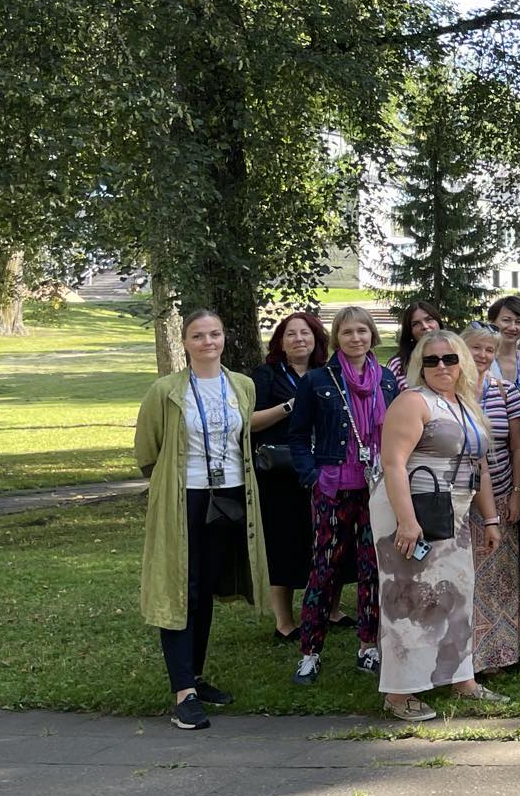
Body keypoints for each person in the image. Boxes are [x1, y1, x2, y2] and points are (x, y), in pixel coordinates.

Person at [134, 309, 270, 730]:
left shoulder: (242, 386)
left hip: (230, 496)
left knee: (205, 587)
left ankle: (194, 676)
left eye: (215, 334)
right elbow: (147, 451)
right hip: (184, 498)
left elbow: (242, 438)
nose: (208, 342)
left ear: (224, 337)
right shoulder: (166, 390)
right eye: (198, 336)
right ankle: (183, 694)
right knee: (180, 589)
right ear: (186, 342)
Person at [371, 329, 507, 721]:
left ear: (462, 361)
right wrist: (407, 522)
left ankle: (461, 678)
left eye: (449, 358)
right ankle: (399, 693)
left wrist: (491, 517)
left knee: (459, 592)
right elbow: (393, 464)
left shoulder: (465, 403)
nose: (442, 366)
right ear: (419, 367)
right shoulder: (413, 402)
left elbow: (478, 465)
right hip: (414, 508)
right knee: (410, 599)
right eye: (431, 361)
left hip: (455, 511)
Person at [288, 304, 398, 685]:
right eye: (348, 332)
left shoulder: (386, 380)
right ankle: (310, 652)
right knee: (326, 569)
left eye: (363, 331)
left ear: (373, 336)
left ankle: (369, 645)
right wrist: (312, 476)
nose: (356, 338)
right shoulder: (319, 381)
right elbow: (298, 436)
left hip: (378, 487)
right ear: (337, 337)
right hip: (333, 487)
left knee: (373, 568)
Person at [250, 310, 323, 643]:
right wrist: (292, 405)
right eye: (291, 334)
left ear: (316, 339)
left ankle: (329, 611)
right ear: (280, 341)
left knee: (321, 537)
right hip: (278, 472)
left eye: (305, 333)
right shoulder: (266, 376)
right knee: (282, 542)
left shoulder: (327, 374)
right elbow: (249, 421)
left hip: (320, 468)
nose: (299, 339)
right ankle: (284, 621)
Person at [462, 325, 520, 676]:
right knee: (464, 579)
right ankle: (461, 655)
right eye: (476, 348)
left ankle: (497, 653)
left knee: (497, 579)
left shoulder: (506, 392)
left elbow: (519, 447)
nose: (483, 356)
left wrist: (516, 492)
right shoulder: (446, 391)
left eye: (489, 350)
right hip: (457, 501)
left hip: (501, 493)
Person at [486, 294, 520, 387]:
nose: (512, 327)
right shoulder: (482, 358)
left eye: (519, 322)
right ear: (492, 322)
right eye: (506, 320)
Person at [390, 300, 441, 381]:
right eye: (416, 324)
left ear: (438, 322)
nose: (425, 326)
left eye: (429, 319)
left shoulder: (457, 355)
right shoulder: (399, 365)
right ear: (410, 331)